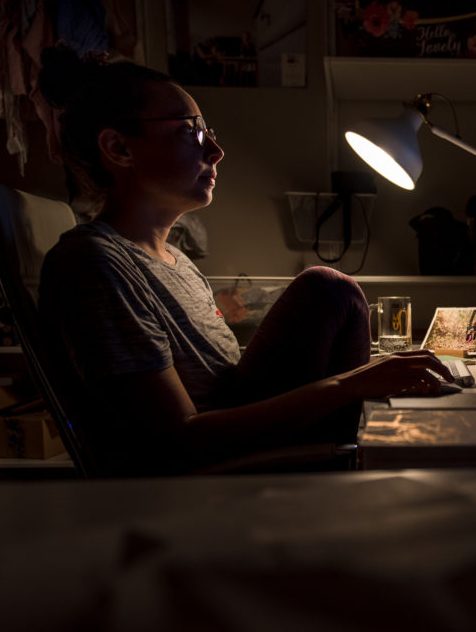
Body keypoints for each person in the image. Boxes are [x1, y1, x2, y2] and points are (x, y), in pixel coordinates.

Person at [35, 45, 452, 476]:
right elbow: (175, 441)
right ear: (119, 148)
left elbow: (228, 382)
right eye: (191, 132)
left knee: (330, 294)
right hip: (217, 477)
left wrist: (364, 375)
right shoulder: (94, 264)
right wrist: (354, 383)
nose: (215, 151)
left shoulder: (175, 260)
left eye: (209, 132)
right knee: (329, 287)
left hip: (249, 428)